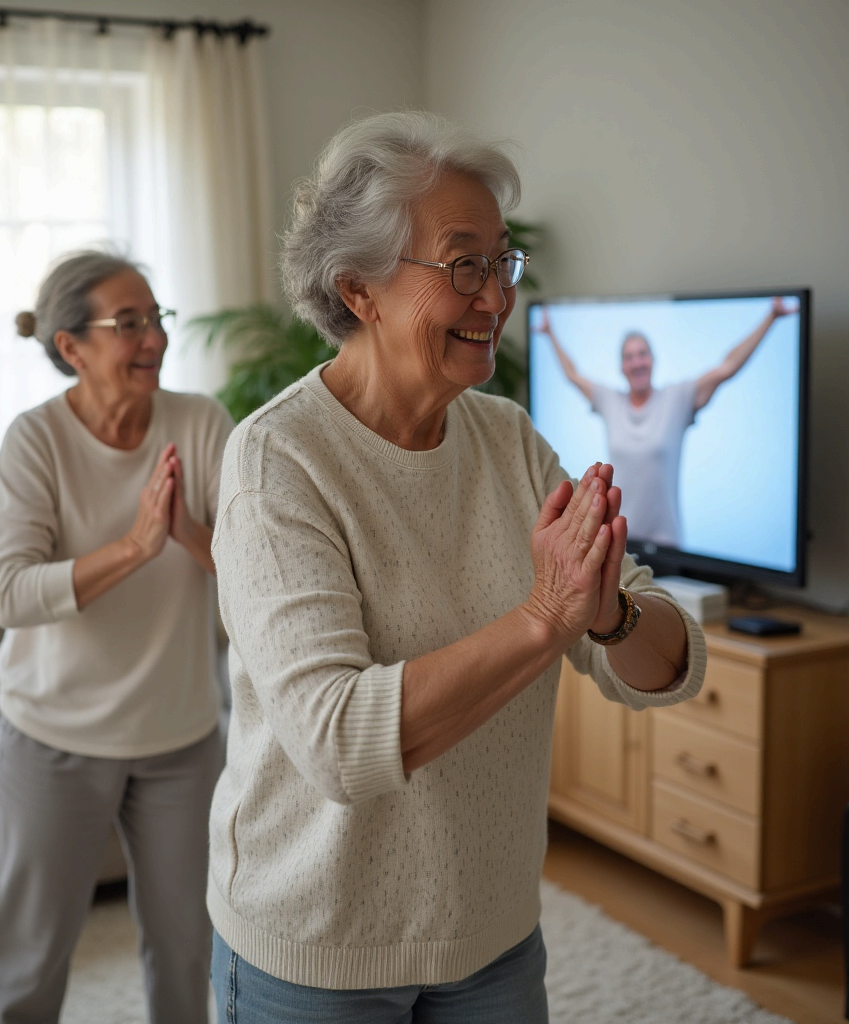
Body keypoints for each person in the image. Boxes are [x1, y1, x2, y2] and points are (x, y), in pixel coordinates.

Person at [206, 110, 708, 1023]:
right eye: (463, 264)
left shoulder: (508, 439)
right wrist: (545, 618)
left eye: (501, 262)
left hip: (493, 932)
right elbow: (337, 739)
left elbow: (660, 670)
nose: (496, 297)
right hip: (318, 946)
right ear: (359, 290)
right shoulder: (278, 461)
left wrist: (611, 617)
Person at [0, 250, 233, 1024]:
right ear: (71, 348)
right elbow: (7, 593)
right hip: (54, 739)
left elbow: (259, 567)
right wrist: (133, 548)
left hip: (181, 740)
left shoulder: (200, 423)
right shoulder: (36, 441)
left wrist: (186, 530)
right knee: (30, 952)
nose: (152, 337)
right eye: (129, 323)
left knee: (189, 947)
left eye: (157, 318)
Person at [537, 297, 796, 547]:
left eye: (642, 354)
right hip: (618, 541)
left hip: (667, 541)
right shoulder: (609, 401)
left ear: (652, 360)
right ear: (621, 367)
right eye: (629, 357)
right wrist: (549, 334)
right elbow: (572, 374)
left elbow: (726, 368)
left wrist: (770, 318)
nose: (636, 361)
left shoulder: (677, 398)